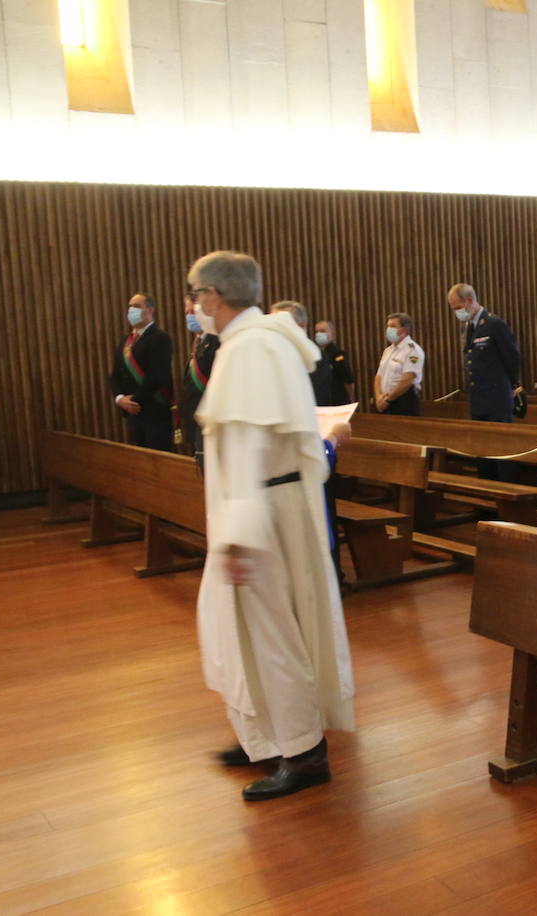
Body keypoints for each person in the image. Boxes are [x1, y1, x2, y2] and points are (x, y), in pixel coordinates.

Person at [188, 250, 354, 802]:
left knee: (274, 637)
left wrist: (236, 537)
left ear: (214, 296)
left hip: (259, 515)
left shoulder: (252, 349)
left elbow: (252, 447)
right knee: (249, 633)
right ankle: (266, 734)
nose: (193, 306)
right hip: (264, 508)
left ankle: (303, 753)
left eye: (195, 294)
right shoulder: (259, 343)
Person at [449, 283, 522, 481]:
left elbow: (512, 357)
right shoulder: (469, 327)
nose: (456, 313)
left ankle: (506, 502)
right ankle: (488, 505)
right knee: (483, 454)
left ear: (470, 301)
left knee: (502, 454)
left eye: (457, 307)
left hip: (497, 399)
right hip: (479, 399)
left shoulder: (493, 324)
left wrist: (513, 385)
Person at [110, 293, 174, 452]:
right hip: (133, 415)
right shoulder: (125, 341)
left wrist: (135, 402)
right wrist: (120, 399)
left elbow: (156, 376)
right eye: (130, 306)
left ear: (150, 310)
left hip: (154, 413)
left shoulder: (159, 338)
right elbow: (114, 375)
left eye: (137, 306)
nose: (131, 310)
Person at [180, 290, 221, 470]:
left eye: (193, 313)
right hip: (197, 416)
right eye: (187, 313)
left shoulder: (215, 341)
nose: (190, 317)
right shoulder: (199, 341)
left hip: (210, 417)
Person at [271, 301, 333, 407]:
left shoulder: (316, 357)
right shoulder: (272, 354)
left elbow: (315, 399)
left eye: (280, 325)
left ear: (300, 326)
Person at [374, 313, 425, 416]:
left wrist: (388, 399)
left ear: (404, 330)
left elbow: (407, 380)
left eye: (392, 326)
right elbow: (379, 376)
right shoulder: (388, 351)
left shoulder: (412, 350)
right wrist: (378, 397)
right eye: (388, 326)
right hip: (384, 400)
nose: (388, 329)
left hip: (403, 401)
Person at [313, 320, 356, 406]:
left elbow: (348, 380)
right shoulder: (316, 354)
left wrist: (351, 398)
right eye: (317, 331)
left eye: (322, 331)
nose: (319, 334)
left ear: (332, 334)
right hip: (321, 401)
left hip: (337, 401)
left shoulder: (337, 355)